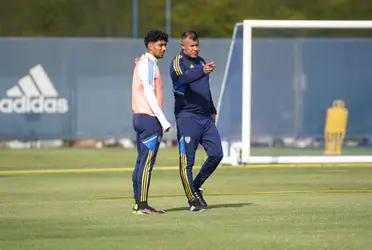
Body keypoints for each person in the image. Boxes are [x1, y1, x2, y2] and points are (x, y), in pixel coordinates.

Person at [169, 30, 223, 212]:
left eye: (197, 45)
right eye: (191, 46)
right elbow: (182, 78)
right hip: (187, 117)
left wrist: (212, 109)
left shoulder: (201, 61)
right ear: (183, 46)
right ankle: (192, 199)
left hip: (205, 118)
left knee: (217, 154)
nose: (195, 49)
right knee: (187, 162)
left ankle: (196, 186)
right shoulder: (178, 62)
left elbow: (204, 90)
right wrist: (202, 70)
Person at [131, 30, 171, 215]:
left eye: (164, 45)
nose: (163, 48)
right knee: (147, 164)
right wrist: (163, 120)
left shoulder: (144, 62)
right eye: (160, 45)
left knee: (141, 162)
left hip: (140, 118)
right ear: (149, 46)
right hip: (149, 119)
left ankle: (138, 202)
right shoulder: (147, 64)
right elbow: (148, 92)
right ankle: (143, 205)